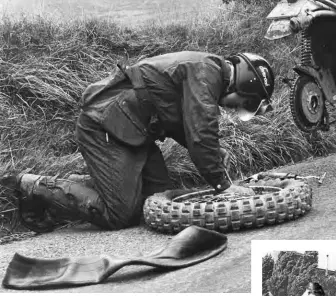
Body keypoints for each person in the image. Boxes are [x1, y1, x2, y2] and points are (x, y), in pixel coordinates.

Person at [4, 51, 275, 232]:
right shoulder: (206, 73)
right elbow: (200, 132)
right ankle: (33, 187)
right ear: (245, 86)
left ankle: (74, 195)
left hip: (133, 131)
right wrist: (223, 185)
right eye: (245, 103)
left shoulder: (206, 70)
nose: (236, 108)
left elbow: (184, 124)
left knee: (153, 201)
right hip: (106, 127)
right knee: (119, 214)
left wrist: (215, 152)